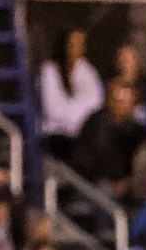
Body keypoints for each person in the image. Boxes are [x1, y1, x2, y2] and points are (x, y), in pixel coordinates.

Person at [39, 28, 104, 159]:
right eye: (73, 44)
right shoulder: (49, 71)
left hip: (82, 136)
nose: (76, 49)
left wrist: (74, 109)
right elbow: (53, 111)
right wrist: (80, 109)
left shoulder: (87, 71)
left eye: (81, 45)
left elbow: (97, 104)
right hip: (55, 136)